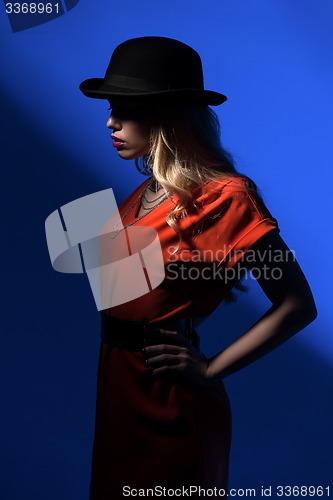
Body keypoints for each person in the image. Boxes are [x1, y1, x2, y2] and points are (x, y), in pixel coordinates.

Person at [79, 36, 317, 499]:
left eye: (127, 109)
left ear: (170, 115)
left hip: (170, 403)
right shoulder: (146, 193)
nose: (111, 121)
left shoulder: (229, 198)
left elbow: (297, 304)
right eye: (111, 107)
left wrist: (210, 371)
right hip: (118, 393)